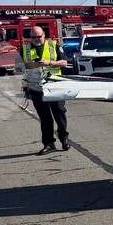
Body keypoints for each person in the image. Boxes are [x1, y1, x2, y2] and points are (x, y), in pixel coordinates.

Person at [22, 27, 70, 155]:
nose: (36, 39)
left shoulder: (54, 45)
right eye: (33, 37)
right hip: (36, 87)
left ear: (44, 35)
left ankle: (64, 138)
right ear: (30, 37)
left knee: (59, 113)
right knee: (45, 118)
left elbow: (64, 62)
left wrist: (49, 63)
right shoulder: (25, 48)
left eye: (39, 36)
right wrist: (30, 65)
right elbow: (21, 66)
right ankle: (49, 144)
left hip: (55, 85)